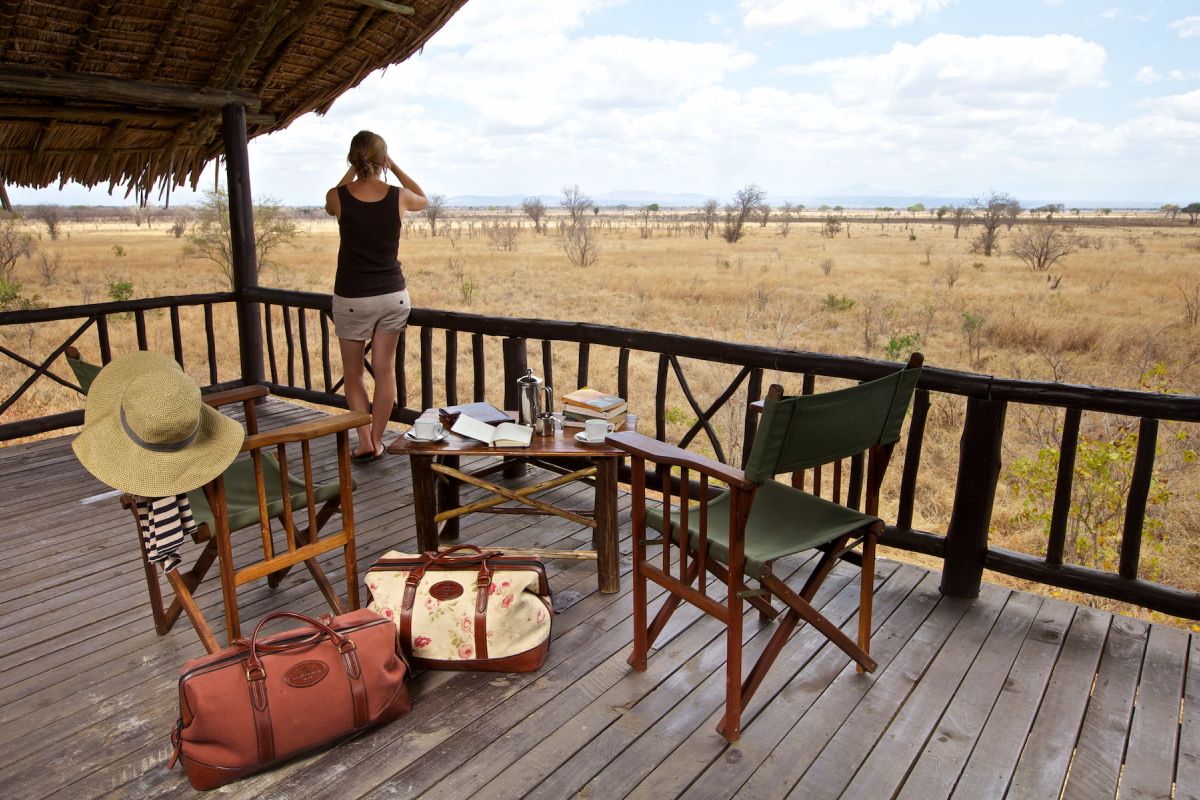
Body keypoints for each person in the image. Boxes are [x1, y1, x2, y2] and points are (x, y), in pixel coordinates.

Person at [325, 131, 428, 461]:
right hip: (392, 296)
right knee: (384, 371)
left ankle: (364, 439)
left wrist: (352, 173)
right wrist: (393, 167)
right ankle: (379, 438)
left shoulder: (339, 195)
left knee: (353, 374)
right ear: (382, 159)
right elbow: (423, 198)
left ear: (352, 159)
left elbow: (330, 205)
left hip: (352, 297)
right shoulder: (398, 196)